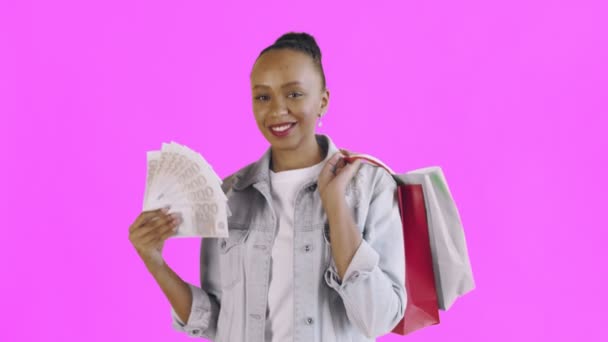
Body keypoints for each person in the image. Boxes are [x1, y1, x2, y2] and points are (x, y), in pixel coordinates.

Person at [128, 32, 406, 342]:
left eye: (294, 94)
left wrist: (335, 204)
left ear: (323, 101)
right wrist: (154, 261)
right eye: (263, 97)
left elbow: (379, 318)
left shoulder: (371, 187)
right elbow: (216, 321)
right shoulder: (229, 195)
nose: (277, 110)